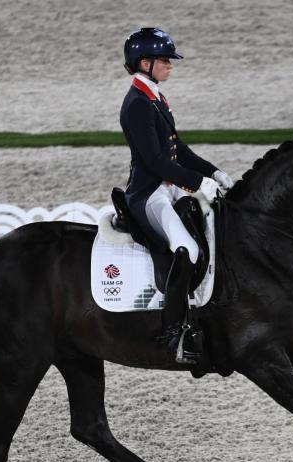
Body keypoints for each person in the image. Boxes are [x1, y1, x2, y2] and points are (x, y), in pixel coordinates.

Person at [119, 27, 234, 364]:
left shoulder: (154, 97)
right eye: (165, 60)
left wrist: (212, 172)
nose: (170, 65)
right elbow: (155, 161)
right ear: (145, 63)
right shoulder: (137, 105)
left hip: (167, 186)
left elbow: (177, 149)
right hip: (149, 194)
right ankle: (173, 331)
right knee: (187, 249)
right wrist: (197, 183)